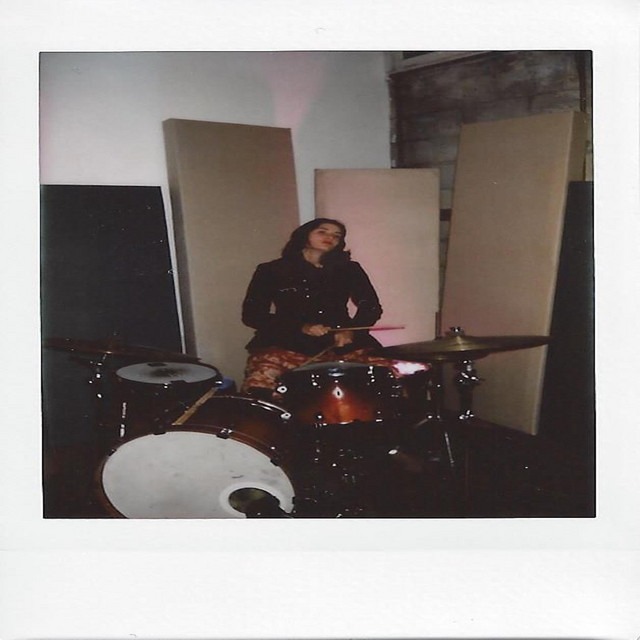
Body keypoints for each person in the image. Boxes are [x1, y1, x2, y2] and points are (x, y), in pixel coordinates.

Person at [240, 218, 428, 399]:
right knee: (261, 384)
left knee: (394, 377)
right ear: (304, 236)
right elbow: (252, 315)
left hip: (343, 345)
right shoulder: (271, 270)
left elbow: (370, 306)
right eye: (322, 232)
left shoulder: (349, 269)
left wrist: (350, 331)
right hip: (286, 343)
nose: (330, 237)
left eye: (337, 235)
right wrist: (302, 327)